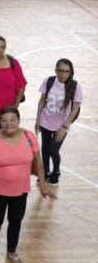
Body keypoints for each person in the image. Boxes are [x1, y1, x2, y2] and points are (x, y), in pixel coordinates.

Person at [0, 107, 55, 263]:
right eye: (4, 120)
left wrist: (42, 185)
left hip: (20, 191)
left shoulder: (29, 136)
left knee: (16, 221)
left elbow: (38, 162)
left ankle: (12, 250)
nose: (8, 124)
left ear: (18, 120)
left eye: (12, 120)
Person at [34, 59, 82, 187]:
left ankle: (56, 171)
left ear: (71, 72)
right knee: (45, 149)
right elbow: (41, 101)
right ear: (56, 70)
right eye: (61, 70)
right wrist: (38, 120)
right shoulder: (48, 81)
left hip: (61, 125)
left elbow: (75, 108)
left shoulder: (75, 86)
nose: (63, 74)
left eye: (67, 71)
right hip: (45, 121)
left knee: (53, 150)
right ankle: (45, 172)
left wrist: (65, 127)